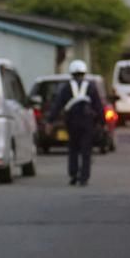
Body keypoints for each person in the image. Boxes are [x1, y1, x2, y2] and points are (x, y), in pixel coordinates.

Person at [49, 59, 105, 187]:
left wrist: (50, 120)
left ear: (72, 72)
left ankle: (73, 175)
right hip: (87, 123)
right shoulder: (91, 86)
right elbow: (98, 105)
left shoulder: (66, 87)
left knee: (73, 149)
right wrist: (102, 122)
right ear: (84, 72)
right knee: (86, 151)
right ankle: (84, 177)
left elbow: (57, 105)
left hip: (72, 122)